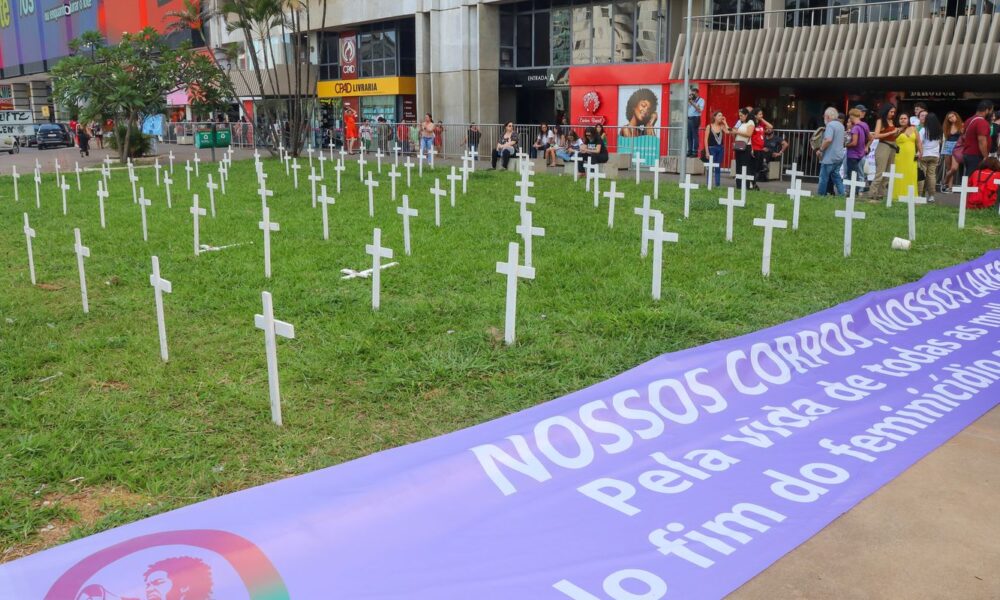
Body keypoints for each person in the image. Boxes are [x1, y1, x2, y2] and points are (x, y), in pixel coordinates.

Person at [866, 103, 898, 199]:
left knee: (888, 172)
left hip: (892, 146)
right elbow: (876, 135)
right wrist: (891, 132)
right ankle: (872, 193)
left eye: (894, 112)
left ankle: (881, 194)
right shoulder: (880, 121)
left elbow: (893, 136)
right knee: (880, 171)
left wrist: (897, 133)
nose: (893, 113)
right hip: (883, 146)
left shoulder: (891, 121)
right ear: (886, 111)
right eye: (891, 111)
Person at [959, 100, 994, 177]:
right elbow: (982, 141)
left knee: (969, 176)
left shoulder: (969, 120)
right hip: (976, 155)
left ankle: (967, 188)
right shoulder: (981, 122)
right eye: (991, 111)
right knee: (973, 177)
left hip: (968, 154)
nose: (992, 113)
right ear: (987, 110)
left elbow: (964, 136)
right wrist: (985, 157)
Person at [816, 106, 846, 196]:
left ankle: (820, 196)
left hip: (829, 156)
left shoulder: (830, 125)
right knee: (836, 177)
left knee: (823, 177)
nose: (823, 118)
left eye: (824, 116)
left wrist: (820, 149)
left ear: (828, 117)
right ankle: (842, 194)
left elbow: (828, 139)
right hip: (839, 156)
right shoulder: (841, 125)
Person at [892, 111, 921, 200]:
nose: (903, 120)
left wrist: (920, 152)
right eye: (901, 118)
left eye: (905, 118)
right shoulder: (896, 130)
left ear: (908, 120)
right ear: (898, 120)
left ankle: (910, 195)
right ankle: (897, 195)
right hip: (900, 157)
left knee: (911, 174)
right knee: (899, 175)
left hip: (911, 157)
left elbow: (918, 142)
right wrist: (897, 132)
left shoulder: (913, 129)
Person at [919, 112, 942, 202]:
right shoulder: (940, 131)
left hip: (924, 154)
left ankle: (920, 194)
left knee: (922, 175)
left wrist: (920, 152)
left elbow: (919, 142)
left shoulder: (923, 130)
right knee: (931, 175)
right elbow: (940, 142)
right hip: (935, 155)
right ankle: (931, 196)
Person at [703, 111, 729, 187]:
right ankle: (708, 184)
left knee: (718, 166)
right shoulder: (709, 126)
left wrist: (725, 123)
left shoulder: (722, 126)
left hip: (720, 148)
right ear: (714, 117)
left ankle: (717, 184)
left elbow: (728, 132)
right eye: (719, 115)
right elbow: (705, 139)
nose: (721, 117)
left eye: (721, 115)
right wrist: (707, 152)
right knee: (710, 167)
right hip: (711, 148)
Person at [732, 107, 756, 188]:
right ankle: (739, 185)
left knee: (744, 166)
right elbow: (734, 131)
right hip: (738, 144)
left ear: (746, 115)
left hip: (746, 146)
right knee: (738, 165)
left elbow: (749, 134)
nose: (740, 117)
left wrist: (737, 131)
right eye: (739, 116)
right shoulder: (740, 123)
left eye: (742, 115)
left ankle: (746, 185)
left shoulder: (750, 122)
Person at [845, 108, 869, 187]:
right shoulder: (864, 125)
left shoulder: (855, 128)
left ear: (852, 116)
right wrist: (866, 147)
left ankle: (853, 192)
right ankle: (858, 191)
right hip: (861, 154)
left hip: (852, 154)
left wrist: (845, 145)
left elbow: (854, 143)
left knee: (851, 174)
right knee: (858, 173)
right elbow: (871, 138)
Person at [940, 111, 964, 192]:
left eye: (952, 116)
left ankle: (944, 181)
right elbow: (944, 138)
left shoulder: (961, 125)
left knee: (954, 168)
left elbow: (964, 137)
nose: (951, 119)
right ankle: (949, 188)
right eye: (949, 118)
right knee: (948, 168)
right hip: (948, 146)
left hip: (957, 147)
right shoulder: (947, 126)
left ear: (956, 116)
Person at [752, 108, 771, 182]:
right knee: (755, 167)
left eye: (762, 114)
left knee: (759, 167)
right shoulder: (752, 124)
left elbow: (770, 126)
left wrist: (762, 119)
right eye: (759, 114)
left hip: (761, 149)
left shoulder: (761, 124)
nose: (761, 115)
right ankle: (752, 183)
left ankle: (754, 183)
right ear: (755, 115)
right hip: (755, 148)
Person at [686, 85, 705, 157]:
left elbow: (699, 110)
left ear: (697, 93)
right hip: (689, 118)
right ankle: (689, 150)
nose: (692, 95)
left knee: (695, 135)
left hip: (695, 118)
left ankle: (695, 151)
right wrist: (689, 101)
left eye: (693, 94)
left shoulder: (701, 100)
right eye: (691, 94)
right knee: (689, 136)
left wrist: (692, 102)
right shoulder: (690, 100)